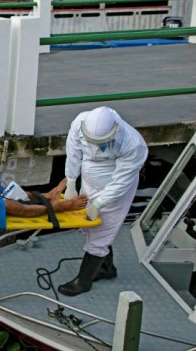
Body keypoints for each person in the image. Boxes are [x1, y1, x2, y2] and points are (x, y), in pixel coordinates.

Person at [58, 106, 148, 296]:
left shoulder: (134, 144)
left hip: (115, 190)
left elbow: (122, 180)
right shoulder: (79, 123)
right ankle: (107, 268)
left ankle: (83, 281)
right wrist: (71, 182)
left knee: (102, 232)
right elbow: (73, 152)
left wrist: (100, 203)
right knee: (89, 228)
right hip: (88, 182)